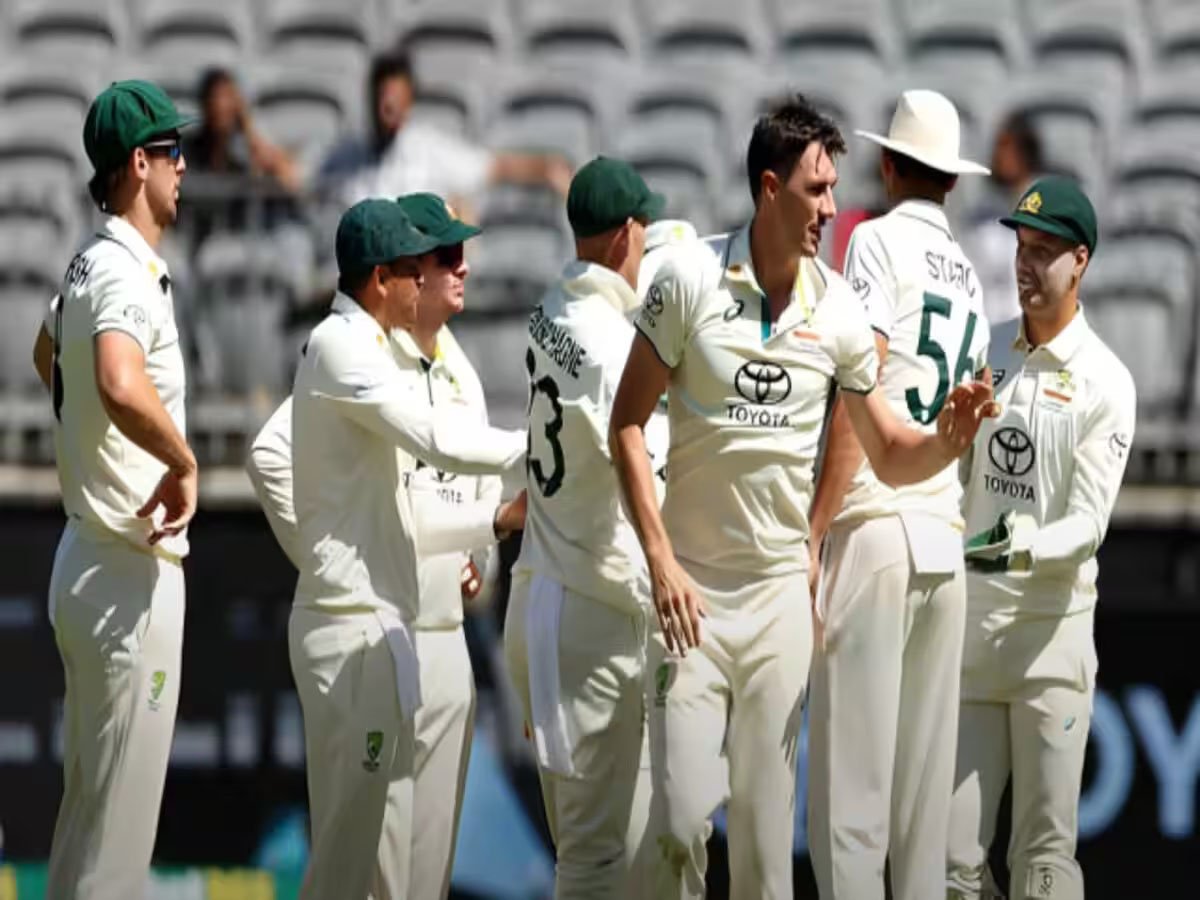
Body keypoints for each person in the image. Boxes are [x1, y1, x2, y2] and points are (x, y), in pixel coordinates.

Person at [607, 94, 997, 899]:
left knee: (762, 851)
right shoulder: (687, 278)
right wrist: (660, 560)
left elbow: (885, 450)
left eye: (834, 188)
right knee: (678, 822)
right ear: (768, 188)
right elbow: (627, 425)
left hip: (780, 602)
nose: (830, 207)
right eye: (816, 189)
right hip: (690, 599)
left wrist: (946, 443)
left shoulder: (842, 308)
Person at [287, 198, 528, 900]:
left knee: (402, 875)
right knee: (352, 868)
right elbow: (435, 442)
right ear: (380, 278)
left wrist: (486, 534)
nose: (430, 279)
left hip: (400, 627)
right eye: (417, 268)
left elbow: (434, 495)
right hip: (356, 621)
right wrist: (543, 447)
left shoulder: (431, 362)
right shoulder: (343, 347)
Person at [804, 90, 992, 900]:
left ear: (886, 166)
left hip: (877, 527)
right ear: (950, 179)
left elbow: (863, 386)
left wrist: (815, 530)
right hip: (943, 537)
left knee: (850, 805)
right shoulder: (973, 277)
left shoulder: (874, 242)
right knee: (921, 814)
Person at [29, 80, 197, 900]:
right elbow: (118, 381)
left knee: (88, 822)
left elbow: (46, 354)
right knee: (118, 849)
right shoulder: (123, 270)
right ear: (138, 163)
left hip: (86, 559)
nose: (183, 166)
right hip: (127, 573)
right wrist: (182, 461)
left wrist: (90, 439)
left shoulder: (87, 263)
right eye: (171, 151)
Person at [947, 177, 1136, 900]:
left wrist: (1019, 545)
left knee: (1045, 866)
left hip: (1052, 643)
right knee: (952, 869)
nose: (1026, 266)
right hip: (973, 638)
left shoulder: (1107, 381)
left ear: (1080, 260)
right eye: (1021, 248)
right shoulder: (987, 350)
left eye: (1045, 252)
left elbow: (1089, 525)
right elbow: (952, 477)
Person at [503, 157, 666, 899]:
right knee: (595, 859)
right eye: (645, 229)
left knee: (617, 851)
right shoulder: (611, 346)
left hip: (545, 599)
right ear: (626, 233)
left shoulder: (551, 306)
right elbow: (641, 468)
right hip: (588, 620)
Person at [321, 50, 572, 210]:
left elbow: (492, 167)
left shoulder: (430, 150)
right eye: (383, 100)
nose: (388, 110)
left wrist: (546, 169)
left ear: (409, 101)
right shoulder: (345, 155)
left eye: (395, 101)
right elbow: (307, 176)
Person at [965, 112, 1045, 326]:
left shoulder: (1047, 211)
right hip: (989, 326)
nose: (1000, 157)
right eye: (998, 147)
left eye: (1008, 148)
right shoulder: (980, 216)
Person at [184, 67, 301, 193]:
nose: (220, 105)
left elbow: (290, 180)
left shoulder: (240, 154)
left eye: (228, 97)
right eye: (214, 97)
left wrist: (247, 126)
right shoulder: (187, 150)